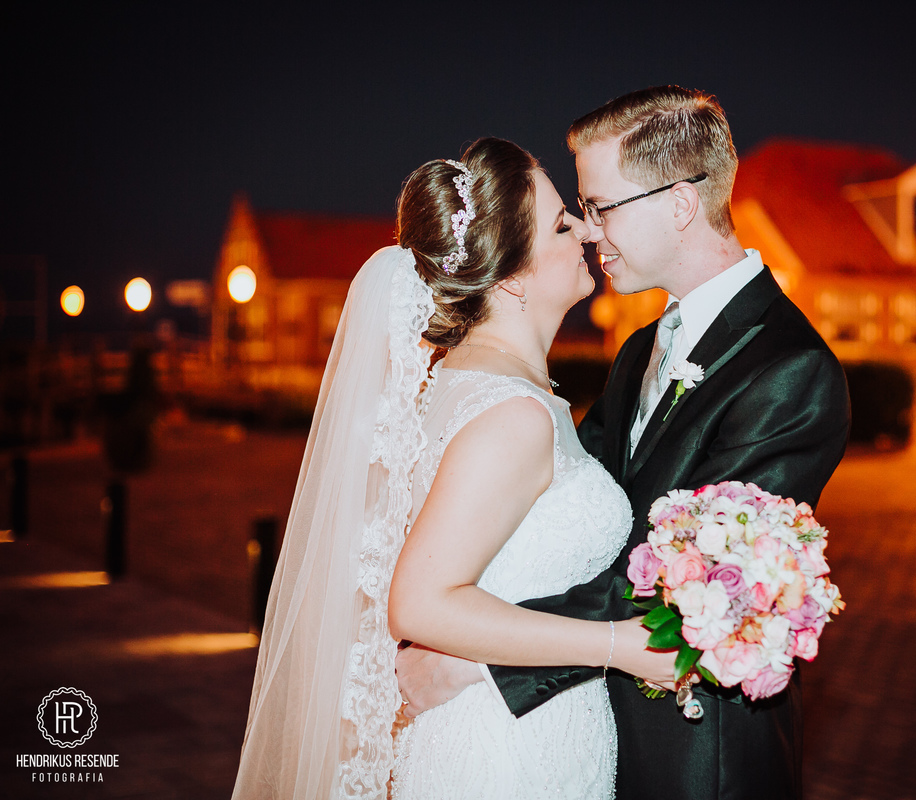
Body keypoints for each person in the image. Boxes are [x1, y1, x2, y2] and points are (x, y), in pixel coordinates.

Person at [395, 87, 851, 799]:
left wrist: (484, 662)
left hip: (700, 760)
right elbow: (571, 525)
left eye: (601, 205)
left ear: (678, 204)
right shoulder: (639, 351)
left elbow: (687, 584)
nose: (587, 228)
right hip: (589, 741)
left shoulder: (791, 370)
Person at [231, 137, 675, 800]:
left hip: (516, 732)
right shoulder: (513, 416)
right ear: (509, 276)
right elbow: (422, 601)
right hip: (505, 758)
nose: (586, 228)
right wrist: (616, 643)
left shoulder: (465, 386)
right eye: (561, 223)